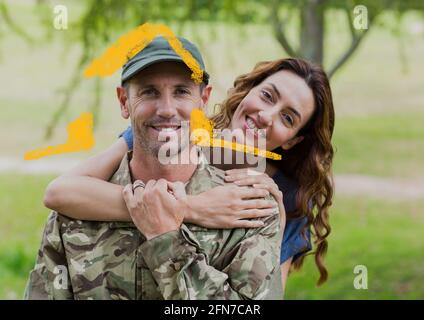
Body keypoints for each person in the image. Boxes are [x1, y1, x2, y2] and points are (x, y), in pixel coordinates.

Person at [44, 45, 335, 290]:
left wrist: (277, 221)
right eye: (267, 96)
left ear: (293, 140)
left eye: (287, 118)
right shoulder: (168, 130)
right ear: (248, 91)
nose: (266, 116)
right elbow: (60, 191)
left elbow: (263, 298)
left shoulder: (284, 201)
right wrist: (188, 207)